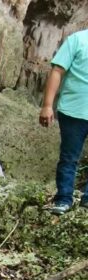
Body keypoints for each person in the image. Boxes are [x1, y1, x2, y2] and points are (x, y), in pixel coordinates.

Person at [39, 29, 88, 215]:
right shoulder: (78, 39)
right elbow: (57, 71)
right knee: (69, 157)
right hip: (73, 111)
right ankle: (64, 199)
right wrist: (47, 105)